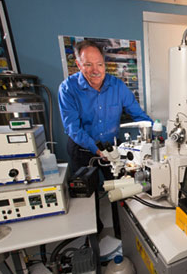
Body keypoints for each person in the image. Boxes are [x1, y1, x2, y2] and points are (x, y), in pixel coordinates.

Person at [58, 40, 152, 235]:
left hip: (112, 149)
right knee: (86, 199)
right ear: (78, 64)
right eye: (88, 65)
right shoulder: (68, 89)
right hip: (82, 150)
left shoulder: (117, 86)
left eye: (99, 64)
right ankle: (93, 236)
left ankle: (122, 233)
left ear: (104, 63)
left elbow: (139, 115)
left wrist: (156, 133)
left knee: (120, 192)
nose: (95, 70)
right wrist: (96, 149)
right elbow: (72, 128)